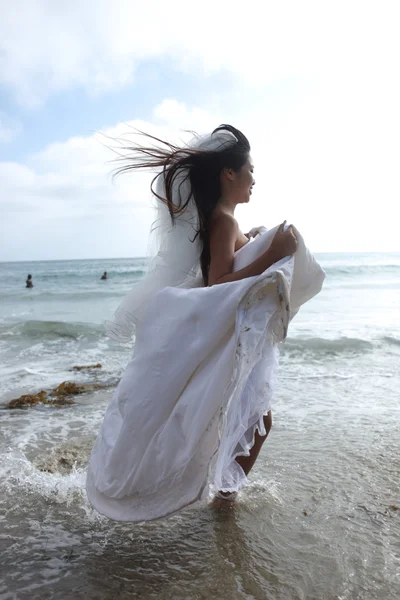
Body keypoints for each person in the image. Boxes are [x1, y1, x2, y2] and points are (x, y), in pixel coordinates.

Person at [86, 125, 325, 521]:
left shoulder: (224, 221)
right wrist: (271, 255)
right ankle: (224, 500)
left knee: (249, 417)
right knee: (257, 419)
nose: (254, 179)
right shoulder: (223, 221)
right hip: (229, 337)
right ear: (228, 174)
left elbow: (224, 265)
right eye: (249, 170)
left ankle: (222, 492)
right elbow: (218, 283)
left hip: (228, 335)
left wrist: (249, 241)